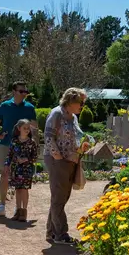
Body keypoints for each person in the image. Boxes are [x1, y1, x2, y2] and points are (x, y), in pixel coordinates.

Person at [43, 88, 91, 244]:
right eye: (81, 102)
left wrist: (83, 144)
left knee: (61, 197)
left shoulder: (73, 117)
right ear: (71, 101)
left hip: (71, 160)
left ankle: (51, 233)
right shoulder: (57, 114)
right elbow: (48, 136)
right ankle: (60, 234)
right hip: (58, 160)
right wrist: (57, 156)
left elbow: (77, 135)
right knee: (59, 197)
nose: (82, 106)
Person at [0, 81, 37, 218]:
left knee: (22, 179)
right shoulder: (5, 106)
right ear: (14, 91)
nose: (24, 93)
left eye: (26, 91)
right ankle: (2, 206)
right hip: (6, 144)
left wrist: (35, 146)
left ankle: (20, 210)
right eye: (21, 91)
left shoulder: (29, 107)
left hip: (24, 147)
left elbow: (35, 129)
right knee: (5, 173)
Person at [6, 119, 38, 222]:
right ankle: (18, 211)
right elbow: (9, 155)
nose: (27, 130)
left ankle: (24, 211)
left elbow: (35, 157)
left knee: (24, 190)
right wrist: (7, 165)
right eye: (25, 128)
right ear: (19, 128)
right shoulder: (14, 141)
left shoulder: (32, 143)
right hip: (16, 169)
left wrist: (26, 159)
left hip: (26, 170)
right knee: (18, 190)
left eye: (28, 128)